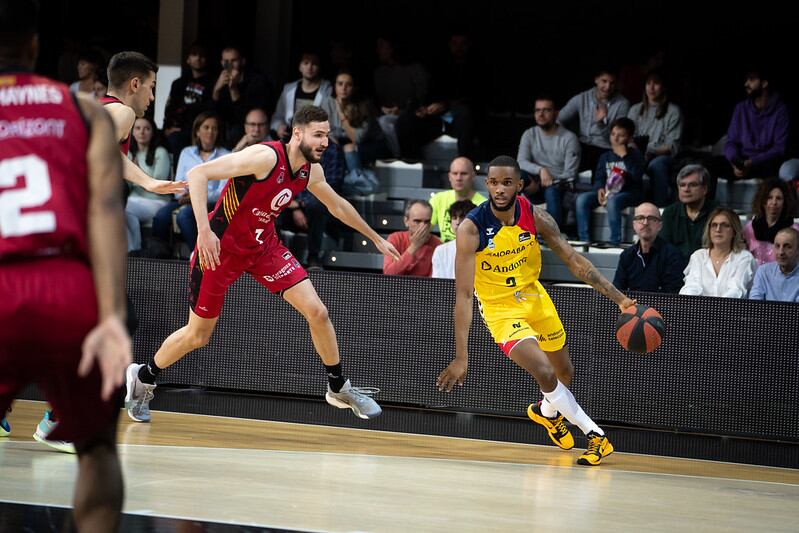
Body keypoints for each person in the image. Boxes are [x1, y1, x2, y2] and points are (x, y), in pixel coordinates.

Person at [124, 106, 400, 423]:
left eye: (327, 135)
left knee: (318, 311)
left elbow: (336, 204)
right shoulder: (265, 157)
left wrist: (375, 237)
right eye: (318, 134)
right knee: (198, 336)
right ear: (298, 133)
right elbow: (198, 174)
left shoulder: (311, 170)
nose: (325, 142)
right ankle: (144, 377)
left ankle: (338, 386)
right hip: (220, 249)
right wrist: (203, 231)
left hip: (262, 247)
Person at [0, 1, 131, 529]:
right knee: (97, 450)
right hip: (67, 287)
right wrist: (111, 317)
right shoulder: (84, 111)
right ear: (36, 45)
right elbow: (105, 213)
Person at [437, 156, 636, 466]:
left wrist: (619, 299)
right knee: (543, 370)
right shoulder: (471, 229)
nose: (499, 189)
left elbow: (574, 260)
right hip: (500, 309)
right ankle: (596, 436)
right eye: (493, 182)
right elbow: (462, 296)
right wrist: (461, 356)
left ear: (519, 185)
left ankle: (546, 414)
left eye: (506, 183)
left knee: (563, 372)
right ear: (486, 184)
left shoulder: (535, 216)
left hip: (534, 297)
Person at [101, 51, 187, 196]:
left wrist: (148, 182)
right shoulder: (124, 111)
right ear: (135, 84)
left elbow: (110, 152)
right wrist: (148, 182)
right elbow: (102, 150)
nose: (152, 97)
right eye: (151, 87)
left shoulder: (99, 107)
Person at [152, 112, 230, 251]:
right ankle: (162, 254)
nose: (210, 132)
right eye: (206, 127)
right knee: (160, 217)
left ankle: (199, 257)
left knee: (184, 216)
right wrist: (184, 195)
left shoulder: (226, 155)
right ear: (197, 131)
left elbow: (222, 192)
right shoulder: (186, 152)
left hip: (211, 204)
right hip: (185, 199)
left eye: (214, 128)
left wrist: (195, 197)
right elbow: (179, 183)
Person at [575, 117, 645, 245]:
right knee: (582, 200)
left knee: (613, 202)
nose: (616, 139)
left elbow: (636, 176)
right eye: (613, 134)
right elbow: (599, 178)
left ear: (629, 138)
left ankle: (615, 241)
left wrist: (625, 156)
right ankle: (583, 240)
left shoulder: (635, 155)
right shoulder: (605, 156)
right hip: (608, 192)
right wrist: (599, 189)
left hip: (629, 193)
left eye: (621, 135)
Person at [517, 95, 581, 227]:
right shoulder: (529, 134)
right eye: (538, 110)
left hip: (559, 186)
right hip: (534, 183)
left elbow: (570, 174)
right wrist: (541, 170)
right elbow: (521, 161)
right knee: (516, 176)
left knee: (551, 190)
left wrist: (544, 182)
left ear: (556, 113)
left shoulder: (569, 138)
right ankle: (508, 226)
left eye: (546, 110)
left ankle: (554, 236)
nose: (541, 114)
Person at [721, 67, 790, 182]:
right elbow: (731, 141)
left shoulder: (781, 110)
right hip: (742, 161)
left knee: (774, 170)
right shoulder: (741, 108)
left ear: (764, 83)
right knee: (710, 165)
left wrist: (753, 162)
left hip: (764, 162)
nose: (746, 84)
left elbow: (779, 148)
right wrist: (735, 162)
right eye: (746, 79)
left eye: (751, 79)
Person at [627, 69, 683, 207]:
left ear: (663, 87)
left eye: (656, 84)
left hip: (661, 156)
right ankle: (632, 204)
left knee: (656, 165)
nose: (651, 88)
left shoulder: (673, 111)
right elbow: (627, 138)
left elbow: (671, 145)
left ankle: (660, 207)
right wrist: (638, 153)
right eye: (648, 83)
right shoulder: (635, 110)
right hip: (637, 153)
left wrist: (650, 152)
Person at [558, 67, 631, 173]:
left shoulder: (623, 104)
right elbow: (560, 120)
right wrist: (567, 139)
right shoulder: (582, 98)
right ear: (596, 80)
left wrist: (600, 123)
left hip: (606, 148)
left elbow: (617, 139)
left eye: (612, 83)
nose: (607, 87)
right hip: (582, 146)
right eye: (604, 81)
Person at [679, 207, 757, 298]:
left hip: (732, 311)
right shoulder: (698, 256)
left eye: (725, 225)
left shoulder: (744, 258)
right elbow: (691, 288)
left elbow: (736, 291)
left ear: (734, 231)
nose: (718, 230)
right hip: (700, 311)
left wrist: (714, 309)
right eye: (714, 225)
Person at [212, 45, 276, 148]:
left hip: (250, 127)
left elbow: (246, 116)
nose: (230, 65)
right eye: (226, 61)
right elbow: (216, 112)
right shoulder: (219, 79)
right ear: (221, 62)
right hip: (225, 126)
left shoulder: (257, 81)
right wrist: (216, 90)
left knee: (236, 130)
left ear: (242, 61)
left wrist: (233, 89)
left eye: (233, 60)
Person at [613, 202, 685, 292]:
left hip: (662, 305)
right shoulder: (626, 256)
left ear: (660, 225)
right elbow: (617, 291)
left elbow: (672, 294)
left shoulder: (673, 255)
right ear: (634, 225)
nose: (645, 222)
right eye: (640, 218)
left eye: (651, 219)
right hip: (632, 305)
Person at [125, 116, 173, 251]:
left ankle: (134, 250)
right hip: (134, 199)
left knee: (125, 208)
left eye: (147, 128)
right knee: (119, 207)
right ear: (132, 132)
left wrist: (136, 172)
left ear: (152, 132)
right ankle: (129, 250)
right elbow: (126, 184)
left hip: (157, 200)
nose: (142, 132)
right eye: (138, 128)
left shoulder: (160, 152)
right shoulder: (129, 153)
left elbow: (158, 186)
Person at [163, 42, 214, 164]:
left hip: (203, 128)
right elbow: (170, 108)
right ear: (188, 59)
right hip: (180, 129)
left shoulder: (212, 83)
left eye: (202, 55)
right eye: (194, 54)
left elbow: (211, 108)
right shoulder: (179, 83)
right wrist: (167, 128)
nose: (198, 58)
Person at [660, 164, 718, 260]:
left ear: (705, 189)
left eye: (693, 185)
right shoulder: (670, 212)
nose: (686, 189)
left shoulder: (718, 213)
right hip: (676, 268)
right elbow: (663, 249)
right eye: (682, 185)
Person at [271, 52, 332, 142]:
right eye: (306, 63)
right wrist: (279, 126)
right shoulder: (288, 90)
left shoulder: (327, 91)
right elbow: (277, 116)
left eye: (314, 64)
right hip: (290, 138)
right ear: (300, 67)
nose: (309, 67)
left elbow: (331, 121)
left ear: (319, 68)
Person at [742, 178, 799, 265]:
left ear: (785, 203)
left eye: (779, 198)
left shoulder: (794, 230)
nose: (774, 202)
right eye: (769, 198)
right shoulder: (749, 229)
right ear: (762, 201)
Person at [430, 157, 487, 242]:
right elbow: (424, 230)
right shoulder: (438, 199)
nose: (458, 178)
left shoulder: (484, 205)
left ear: (473, 176)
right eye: (455, 173)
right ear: (449, 176)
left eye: (463, 174)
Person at [383, 200, 441, 277]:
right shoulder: (395, 239)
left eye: (426, 222)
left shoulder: (438, 245)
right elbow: (389, 273)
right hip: (397, 288)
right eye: (417, 221)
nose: (422, 226)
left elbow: (435, 281)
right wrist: (414, 247)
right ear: (406, 221)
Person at [749, 228, 799, 302]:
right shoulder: (763, 271)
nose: (781, 252)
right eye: (777, 246)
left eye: (787, 246)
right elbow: (754, 304)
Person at [431, 200, 475, 279]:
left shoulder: (485, 249)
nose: (458, 222)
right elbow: (437, 283)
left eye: (462, 217)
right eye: (454, 218)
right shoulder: (440, 250)